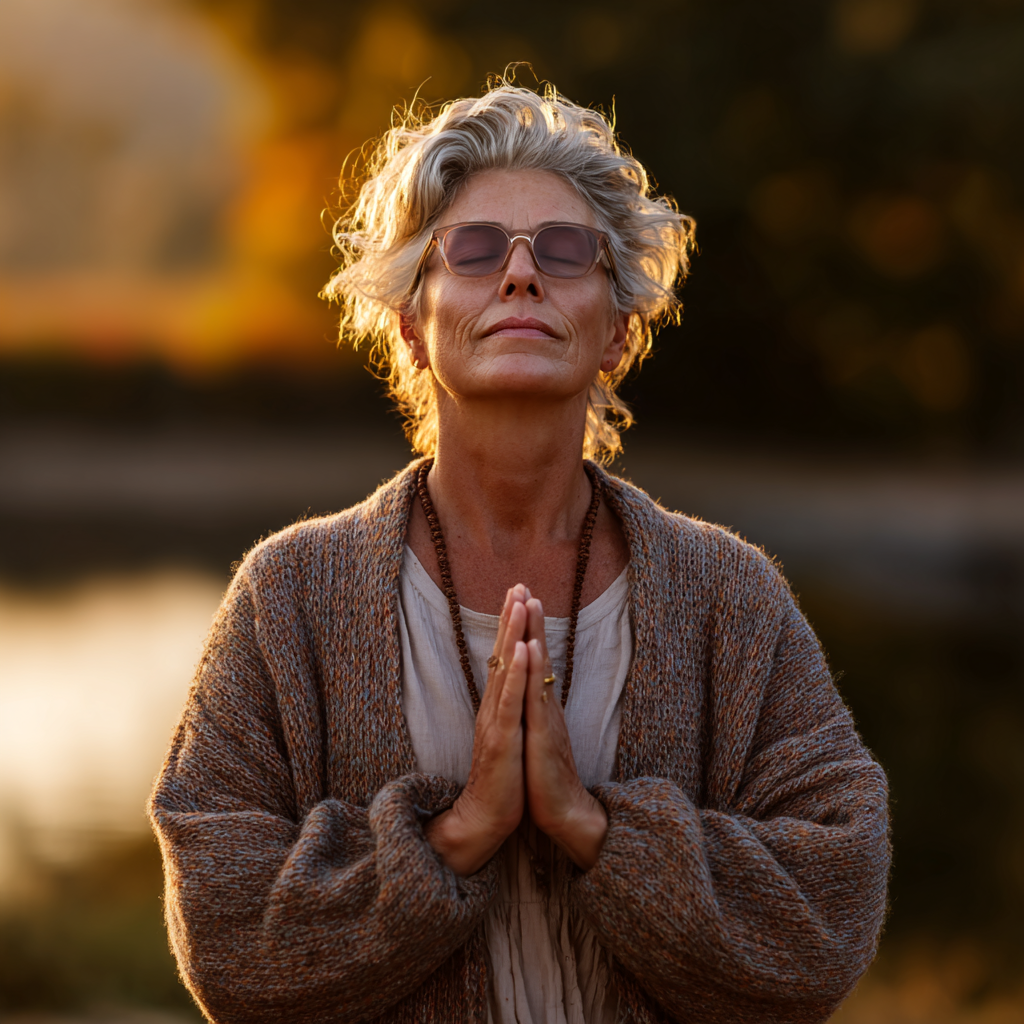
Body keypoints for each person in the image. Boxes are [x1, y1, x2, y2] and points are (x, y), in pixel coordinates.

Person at [149, 82, 890, 1024]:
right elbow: (228, 940)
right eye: (475, 248)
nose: (522, 274)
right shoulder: (286, 597)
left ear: (620, 329)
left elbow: (829, 909)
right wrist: (458, 836)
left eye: (566, 251)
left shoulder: (729, 595)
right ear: (413, 324)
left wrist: (593, 827)